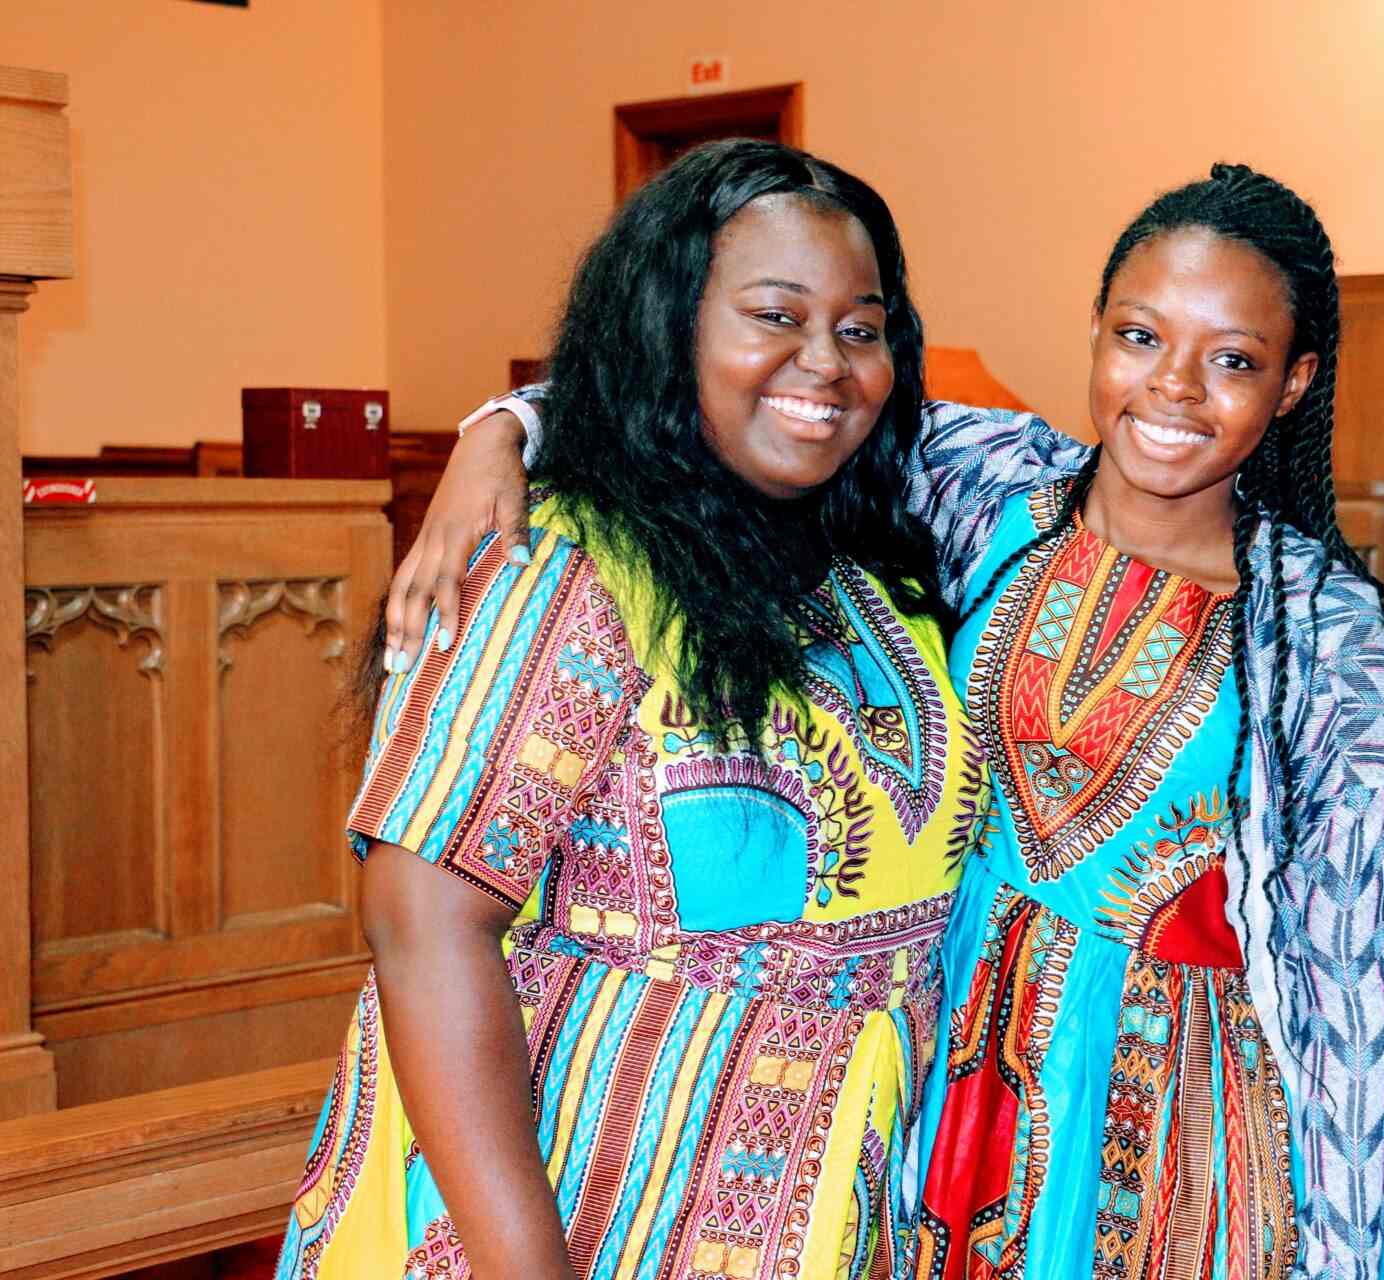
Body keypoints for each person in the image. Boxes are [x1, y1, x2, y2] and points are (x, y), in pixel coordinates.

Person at [395, 164, 1384, 1280]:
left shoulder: (1315, 621)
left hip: (1161, 1104)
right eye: (1141, 336)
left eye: (1235, 361)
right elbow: (728, 394)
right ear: (1098, 334)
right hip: (921, 1069)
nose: (1174, 389)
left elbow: (1340, 943)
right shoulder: (986, 480)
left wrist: (1347, 1242)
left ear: (1294, 382)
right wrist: (496, 433)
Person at [275, 139, 987, 1280]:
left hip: (848, 1210)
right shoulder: (563, 560)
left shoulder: (886, 578)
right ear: (671, 329)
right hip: (599, 1198)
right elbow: (422, 918)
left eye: (861, 328)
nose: (826, 363)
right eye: (775, 316)